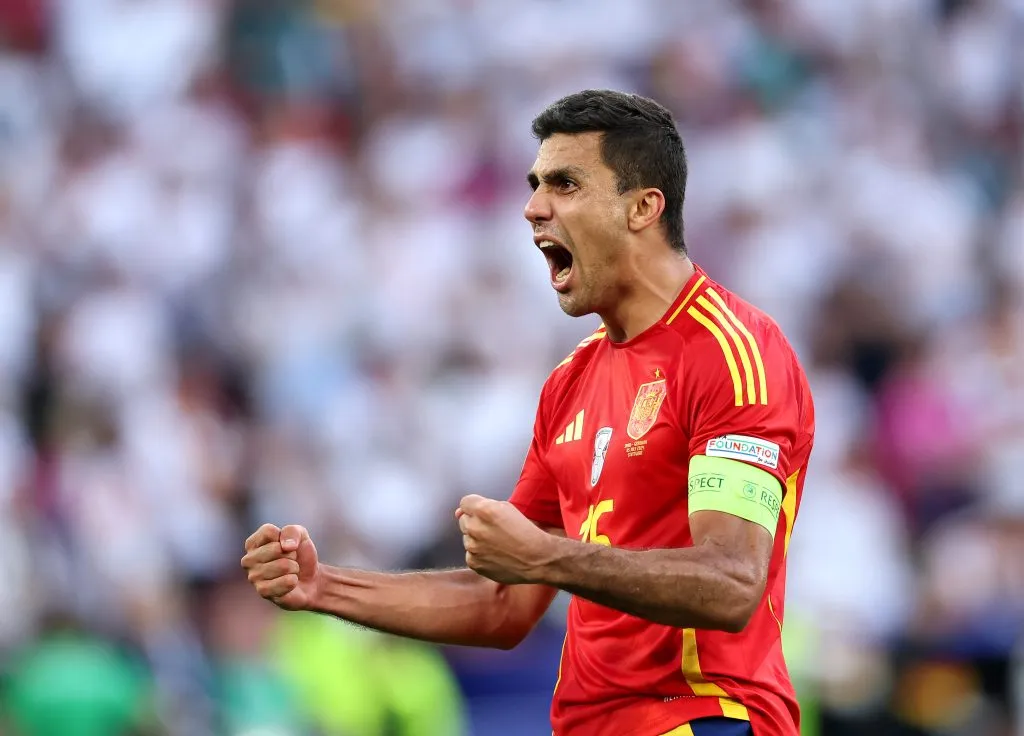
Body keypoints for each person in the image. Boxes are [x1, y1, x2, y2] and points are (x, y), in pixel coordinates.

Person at [242, 90, 814, 736]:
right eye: (535, 185)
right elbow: (503, 603)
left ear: (643, 208)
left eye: (565, 184)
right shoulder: (570, 384)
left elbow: (733, 582)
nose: (533, 208)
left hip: (707, 718)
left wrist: (549, 557)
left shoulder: (732, 352)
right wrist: (324, 590)